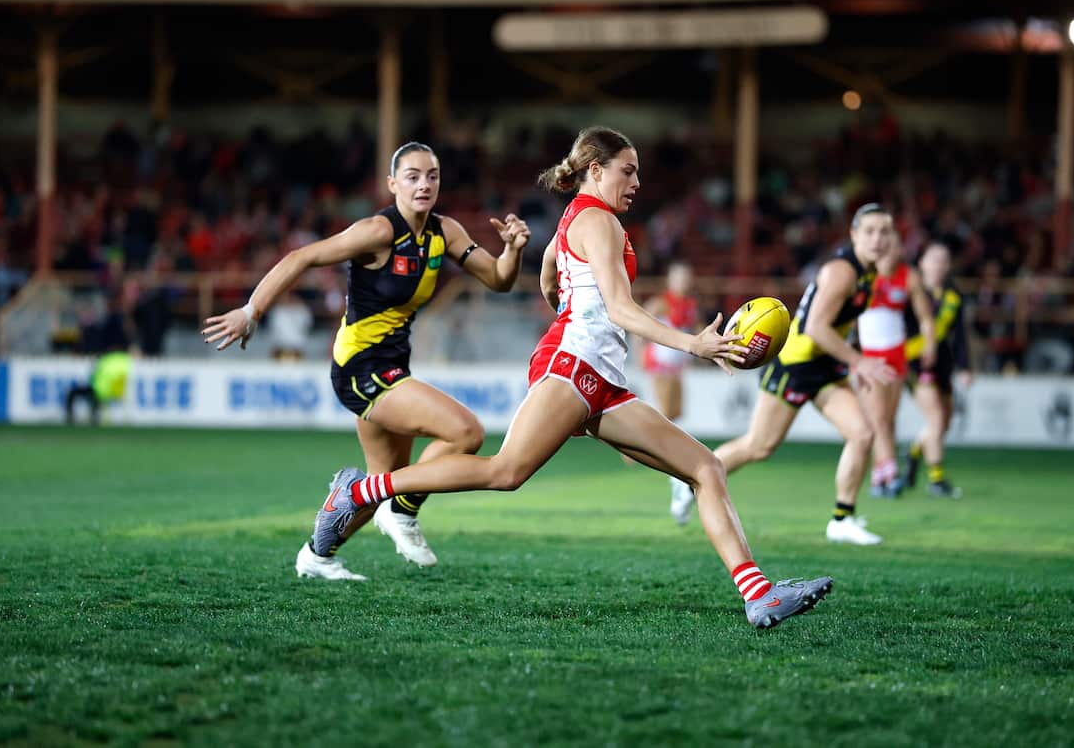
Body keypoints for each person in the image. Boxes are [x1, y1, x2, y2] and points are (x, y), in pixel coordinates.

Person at [305, 126, 833, 629]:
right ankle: (364, 489)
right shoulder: (599, 221)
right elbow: (622, 309)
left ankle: (759, 595)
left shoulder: (577, 217)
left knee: (706, 468)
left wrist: (561, 300)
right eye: (628, 171)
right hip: (573, 365)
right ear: (597, 170)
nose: (637, 182)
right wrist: (692, 343)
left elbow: (550, 270)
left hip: (600, 376)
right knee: (505, 471)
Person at [202, 142, 530, 579]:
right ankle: (403, 513)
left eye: (432, 175)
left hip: (393, 366)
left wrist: (513, 250)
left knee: (382, 479)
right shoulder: (377, 231)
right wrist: (251, 312)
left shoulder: (445, 232)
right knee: (465, 431)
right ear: (392, 184)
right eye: (412, 176)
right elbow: (302, 257)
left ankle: (317, 555)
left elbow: (499, 280)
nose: (424, 184)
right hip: (361, 368)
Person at [705, 204, 898, 545]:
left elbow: (841, 324)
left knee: (863, 434)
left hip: (824, 367)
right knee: (759, 446)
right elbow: (816, 327)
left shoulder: (867, 273)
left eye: (884, 231)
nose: (878, 238)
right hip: (796, 363)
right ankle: (691, 476)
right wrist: (859, 362)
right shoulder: (844, 272)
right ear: (854, 235)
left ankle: (842, 519)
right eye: (869, 231)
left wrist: (852, 359)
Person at [854, 231, 934, 498]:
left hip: (896, 354)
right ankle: (890, 472)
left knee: (887, 418)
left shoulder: (908, 277)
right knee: (877, 417)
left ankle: (880, 475)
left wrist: (929, 343)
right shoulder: (864, 276)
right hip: (870, 355)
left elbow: (925, 316)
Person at [900, 241, 971, 498]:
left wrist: (965, 367)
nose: (939, 265)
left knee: (944, 422)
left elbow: (960, 334)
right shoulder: (911, 292)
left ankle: (914, 452)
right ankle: (936, 479)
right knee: (936, 419)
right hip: (915, 361)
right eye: (934, 259)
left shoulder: (953, 295)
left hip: (943, 363)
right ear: (922, 263)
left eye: (944, 260)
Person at [634, 261, 704, 522]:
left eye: (687, 277)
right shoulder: (662, 302)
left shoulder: (690, 305)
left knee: (674, 413)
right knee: (665, 415)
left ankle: (638, 437)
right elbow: (641, 322)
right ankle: (646, 447)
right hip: (661, 365)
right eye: (680, 277)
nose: (684, 282)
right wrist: (641, 352)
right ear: (671, 280)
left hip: (677, 366)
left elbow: (696, 327)